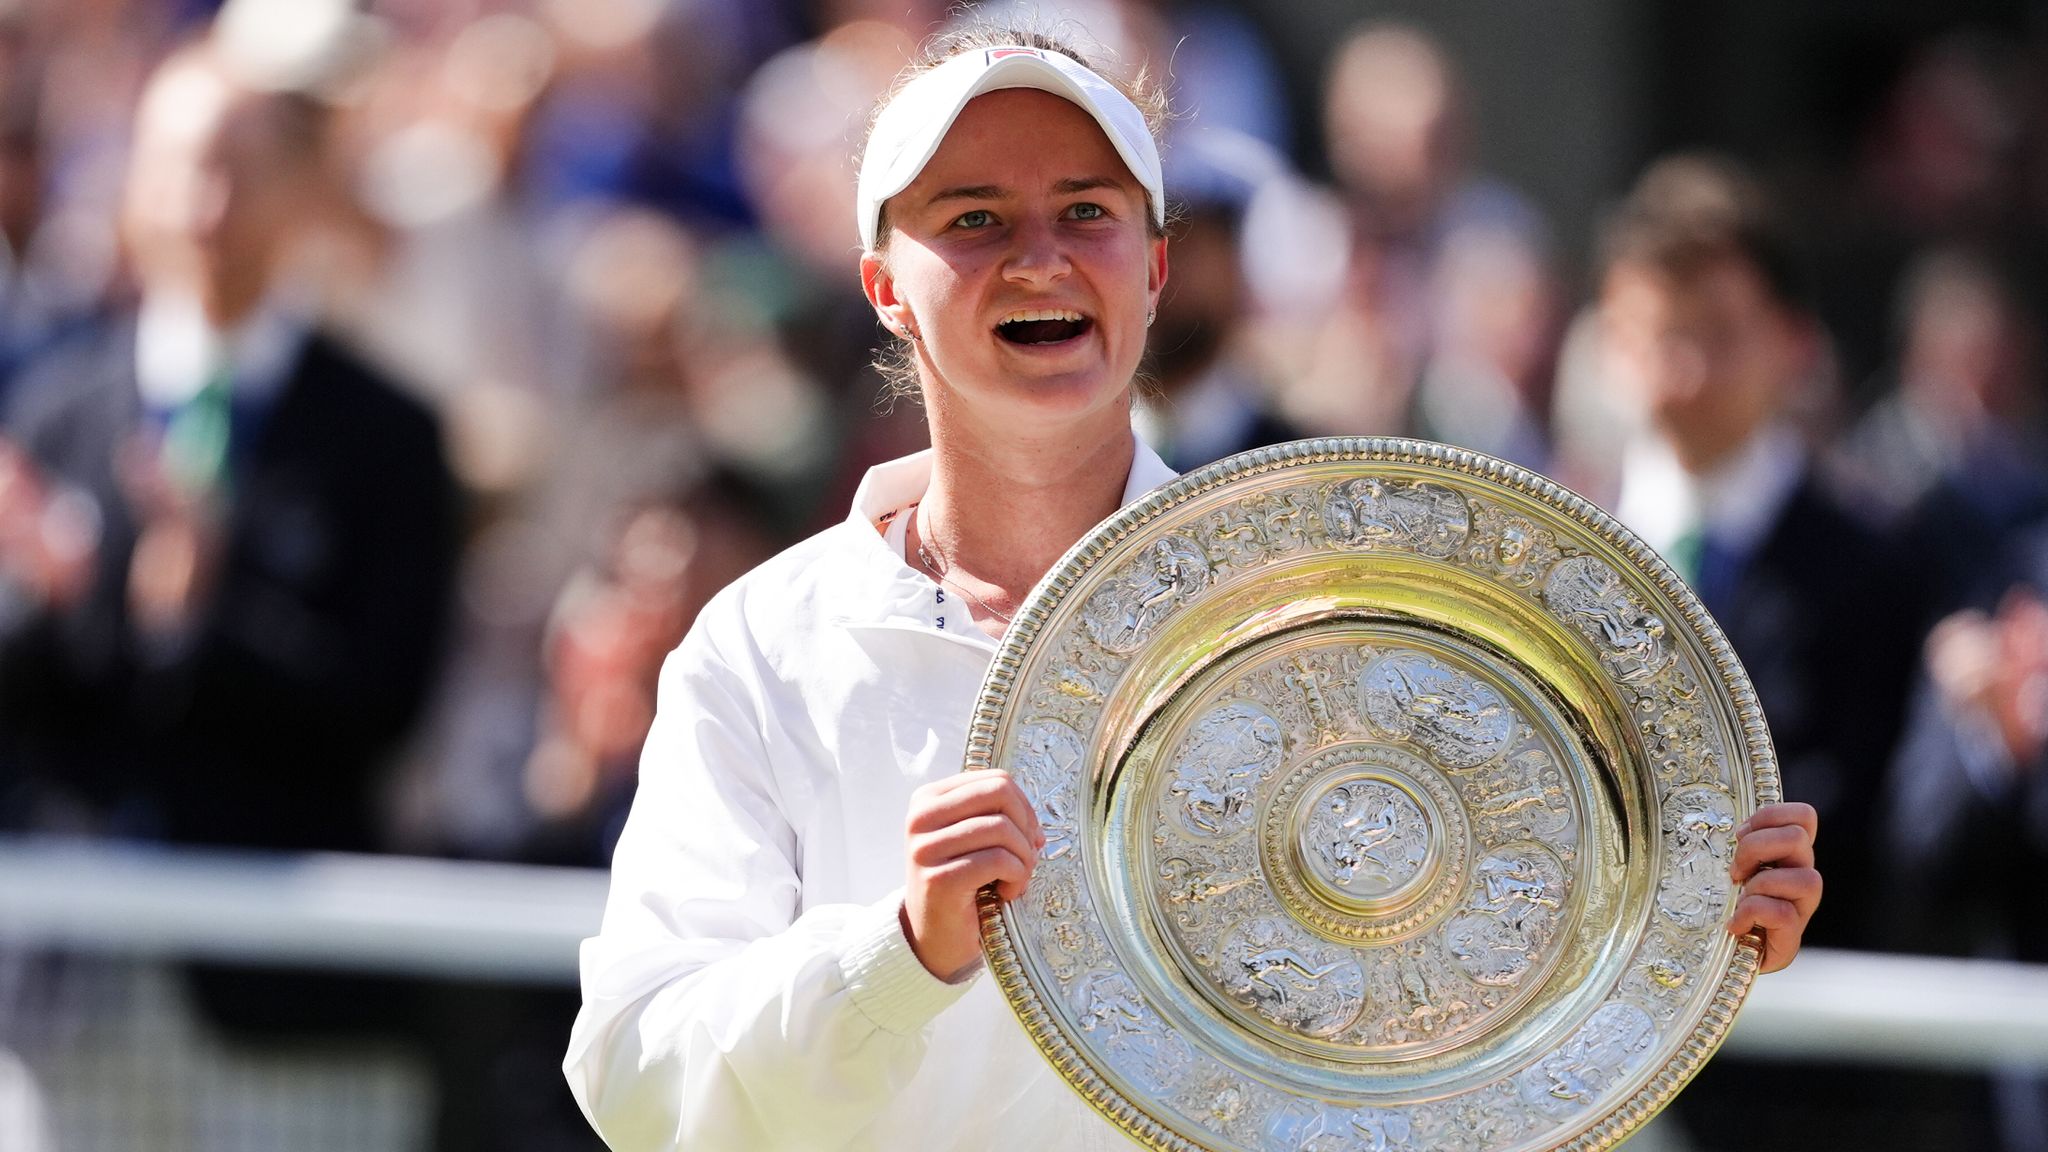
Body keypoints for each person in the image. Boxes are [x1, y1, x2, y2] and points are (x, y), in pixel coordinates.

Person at [563, 26, 1821, 1151]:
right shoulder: (762, 646)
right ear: (884, 286)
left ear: (1156, 269)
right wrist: (897, 951)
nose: (1040, 260)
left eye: (1087, 213)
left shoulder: (1323, 601)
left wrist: (1680, 913)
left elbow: (1441, 1024)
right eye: (972, 220)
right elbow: (632, 1081)